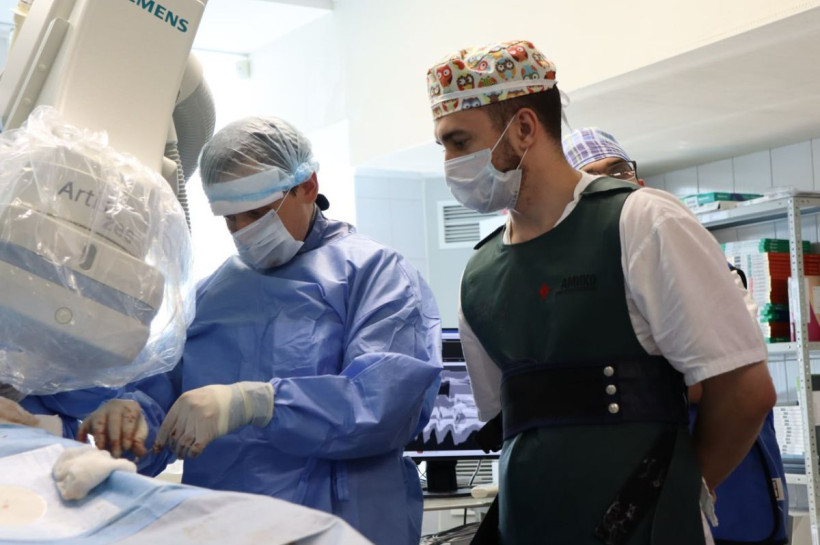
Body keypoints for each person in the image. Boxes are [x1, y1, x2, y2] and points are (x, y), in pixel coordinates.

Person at [426, 39, 776, 544]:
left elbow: (745, 392)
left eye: (459, 142)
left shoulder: (642, 222)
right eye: (443, 147)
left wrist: (678, 490)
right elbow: (513, 428)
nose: (450, 163)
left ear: (523, 128)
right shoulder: (478, 275)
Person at [78, 116, 443, 545]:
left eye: (257, 213)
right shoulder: (212, 295)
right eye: (231, 219)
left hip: (342, 526)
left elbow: (385, 404)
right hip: (223, 526)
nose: (244, 231)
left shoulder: (373, 273)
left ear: (308, 186)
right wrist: (130, 419)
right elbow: (164, 401)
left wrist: (257, 402)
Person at [563, 126, 789, 545]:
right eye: (591, 179)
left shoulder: (708, 267)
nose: (611, 185)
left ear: (639, 180)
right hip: (640, 500)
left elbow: (730, 381)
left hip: (732, 490)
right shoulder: (578, 289)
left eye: (618, 171)